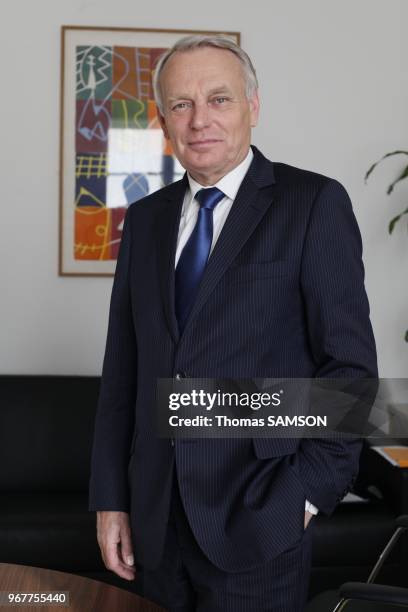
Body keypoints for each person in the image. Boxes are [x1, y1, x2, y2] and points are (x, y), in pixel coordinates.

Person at [89, 35, 378, 612]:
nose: (200, 120)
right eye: (180, 104)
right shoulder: (144, 221)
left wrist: (304, 497)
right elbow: (123, 373)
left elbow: (349, 372)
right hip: (156, 521)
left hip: (259, 518)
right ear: (163, 120)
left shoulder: (313, 203)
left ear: (253, 106)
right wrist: (112, 500)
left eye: (218, 99)